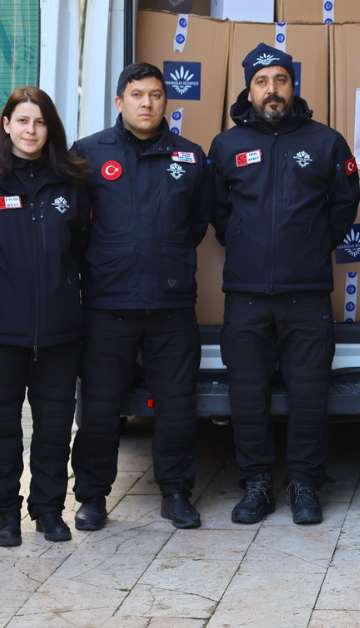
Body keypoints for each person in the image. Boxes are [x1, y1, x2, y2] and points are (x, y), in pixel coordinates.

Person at [208, 44, 359, 526]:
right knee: (247, 395)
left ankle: (304, 484)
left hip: (307, 294)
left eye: (280, 80)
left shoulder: (326, 142)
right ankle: (255, 484)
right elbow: (217, 212)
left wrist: (312, 248)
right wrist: (244, 241)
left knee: (309, 394)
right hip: (246, 296)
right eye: (261, 81)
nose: (271, 90)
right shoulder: (225, 146)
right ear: (248, 88)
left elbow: (343, 207)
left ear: (293, 86)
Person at [0, 87, 92, 547]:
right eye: (22, 121)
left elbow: (80, 253)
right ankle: (5, 514)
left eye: (40, 122)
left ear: (51, 129)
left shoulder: (72, 184)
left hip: (60, 334)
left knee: (53, 430)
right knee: (1, 431)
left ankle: (48, 511)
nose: (31, 130)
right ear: (6, 125)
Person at [69, 63, 211, 531]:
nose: (146, 103)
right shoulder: (88, 154)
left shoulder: (190, 157)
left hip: (171, 304)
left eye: (155, 94)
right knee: (101, 407)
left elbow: (196, 223)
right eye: (136, 95)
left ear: (166, 101)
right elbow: (73, 227)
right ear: (119, 102)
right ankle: (91, 496)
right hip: (107, 305)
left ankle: (175, 492)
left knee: (176, 404)